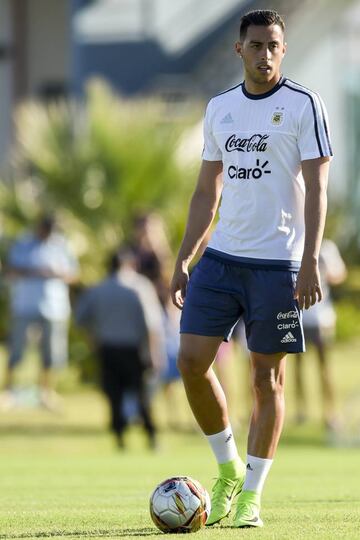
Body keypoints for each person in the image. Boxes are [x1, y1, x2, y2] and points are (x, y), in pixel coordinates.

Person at [170, 9, 332, 529]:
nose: (266, 55)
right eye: (257, 45)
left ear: (283, 50)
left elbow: (318, 189)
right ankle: (228, 469)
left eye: (274, 46)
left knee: (267, 380)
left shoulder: (304, 104)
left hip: (277, 267)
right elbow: (205, 191)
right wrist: (184, 257)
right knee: (191, 361)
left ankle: (252, 495)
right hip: (221, 260)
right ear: (238, 49)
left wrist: (309, 262)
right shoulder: (219, 109)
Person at [75, 247, 165, 449]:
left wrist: (93, 338)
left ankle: (119, 438)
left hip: (107, 349)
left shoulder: (97, 289)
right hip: (135, 349)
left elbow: (81, 319)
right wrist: (154, 352)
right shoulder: (140, 286)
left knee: (113, 396)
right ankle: (151, 436)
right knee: (142, 396)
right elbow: (152, 324)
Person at [3, 215, 78, 410]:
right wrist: (36, 272)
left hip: (54, 307)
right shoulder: (23, 243)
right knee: (16, 349)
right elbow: (10, 270)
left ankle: (46, 393)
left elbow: (73, 274)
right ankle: (8, 391)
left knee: (51, 352)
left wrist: (57, 273)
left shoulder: (62, 245)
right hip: (25, 304)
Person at [294, 239, 347, 429]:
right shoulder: (297, 243)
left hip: (321, 317)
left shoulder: (327, 247)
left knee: (324, 367)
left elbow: (340, 274)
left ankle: (330, 413)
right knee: (297, 367)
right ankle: (301, 411)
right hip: (300, 316)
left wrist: (324, 268)